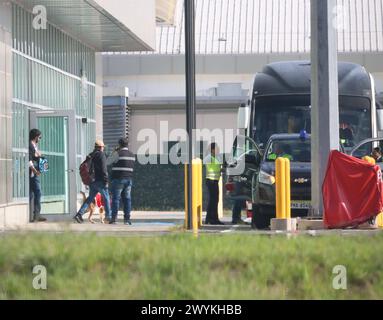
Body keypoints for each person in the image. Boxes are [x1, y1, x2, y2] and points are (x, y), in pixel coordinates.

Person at [74, 140, 111, 223]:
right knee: (106, 197)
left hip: (92, 181)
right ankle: (108, 216)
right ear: (101, 147)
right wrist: (106, 180)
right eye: (103, 147)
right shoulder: (101, 155)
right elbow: (103, 168)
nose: (103, 149)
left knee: (90, 198)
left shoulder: (91, 155)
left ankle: (79, 214)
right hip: (100, 181)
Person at [107, 138, 135, 225]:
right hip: (129, 179)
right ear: (127, 144)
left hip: (118, 179)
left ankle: (114, 219)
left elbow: (107, 162)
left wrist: (114, 152)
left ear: (119, 144)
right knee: (127, 199)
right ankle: (127, 219)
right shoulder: (132, 155)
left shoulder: (117, 153)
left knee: (116, 199)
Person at [203, 143, 224, 225]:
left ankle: (211, 218)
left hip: (215, 180)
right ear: (212, 150)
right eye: (216, 148)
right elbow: (206, 163)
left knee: (214, 200)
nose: (218, 150)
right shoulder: (209, 158)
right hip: (211, 181)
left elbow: (217, 167)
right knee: (213, 200)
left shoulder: (216, 157)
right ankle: (212, 219)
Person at [29, 129, 47, 222]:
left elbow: (35, 156)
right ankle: (36, 215)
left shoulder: (34, 146)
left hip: (34, 172)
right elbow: (29, 160)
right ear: (36, 137)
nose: (39, 139)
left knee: (31, 194)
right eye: (39, 137)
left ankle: (35, 215)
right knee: (38, 192)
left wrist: (39, 155)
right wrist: (35, 170)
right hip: (32, 173)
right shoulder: (30, 146)